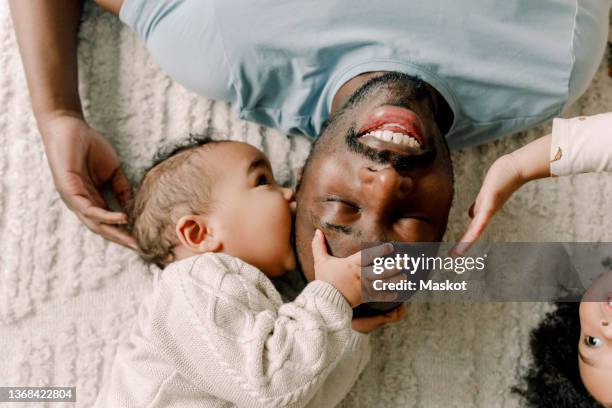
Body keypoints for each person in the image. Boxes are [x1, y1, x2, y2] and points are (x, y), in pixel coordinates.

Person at [8, 0, 612, 282]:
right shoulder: (550, 65)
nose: (387, 181)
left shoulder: (224, 50)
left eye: (346, 210)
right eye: (409, 218)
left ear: (300, 188)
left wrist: (57, 109)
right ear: (457, 211)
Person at [95, 137, 405, 407]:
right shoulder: (188, 284)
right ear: (198, 233)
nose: (289, 194)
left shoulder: (276, 309)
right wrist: (330, 298)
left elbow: (309, 396)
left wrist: (347, 327)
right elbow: (273, 388)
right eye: (261, 181)